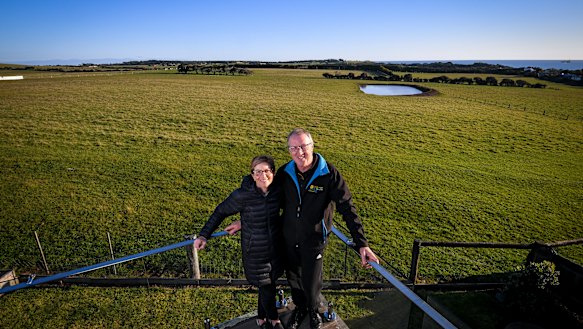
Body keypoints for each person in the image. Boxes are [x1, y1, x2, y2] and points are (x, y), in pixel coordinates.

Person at [276, 128, 379, 329]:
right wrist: (245, 221)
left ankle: (314, 311)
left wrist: (362, 244)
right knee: (294, 279)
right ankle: (300, 308)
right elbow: (269, 202)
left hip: (314, 241)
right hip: (288, 239)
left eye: (303, 146)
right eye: (294, 148)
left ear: (312, 146)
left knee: (312, 283)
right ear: (289, 150)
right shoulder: (284, 172)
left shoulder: (328, 173)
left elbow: (347, 207)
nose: (300, 152)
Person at [194, 155, 285, 329]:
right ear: (252, 174)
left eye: (267, 171)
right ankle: (274, 320)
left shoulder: (278, 192)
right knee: (266, 285)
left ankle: (261, 316)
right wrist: (204, 235)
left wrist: (244, 221)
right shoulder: (242, 195)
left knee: (268, 283)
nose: (262, 175)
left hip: (275, 249)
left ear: (273, 172)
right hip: (255, 250)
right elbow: (220, 212)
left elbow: (280, 214)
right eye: (257, 171)